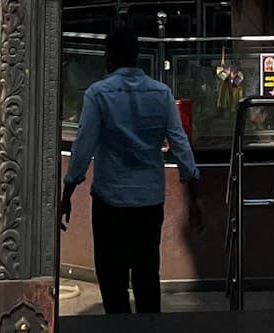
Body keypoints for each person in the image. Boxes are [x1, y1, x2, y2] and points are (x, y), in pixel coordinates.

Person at [62, 21, 202, 316]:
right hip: (149, 202)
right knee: (146, 276)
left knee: (112, 281)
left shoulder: (98, 95)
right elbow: (180, 145)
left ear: (109, 57)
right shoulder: (161, 94)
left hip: (110, 202)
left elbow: (82, 148)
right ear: (137, 55)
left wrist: (68, 191)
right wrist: (194, 197)